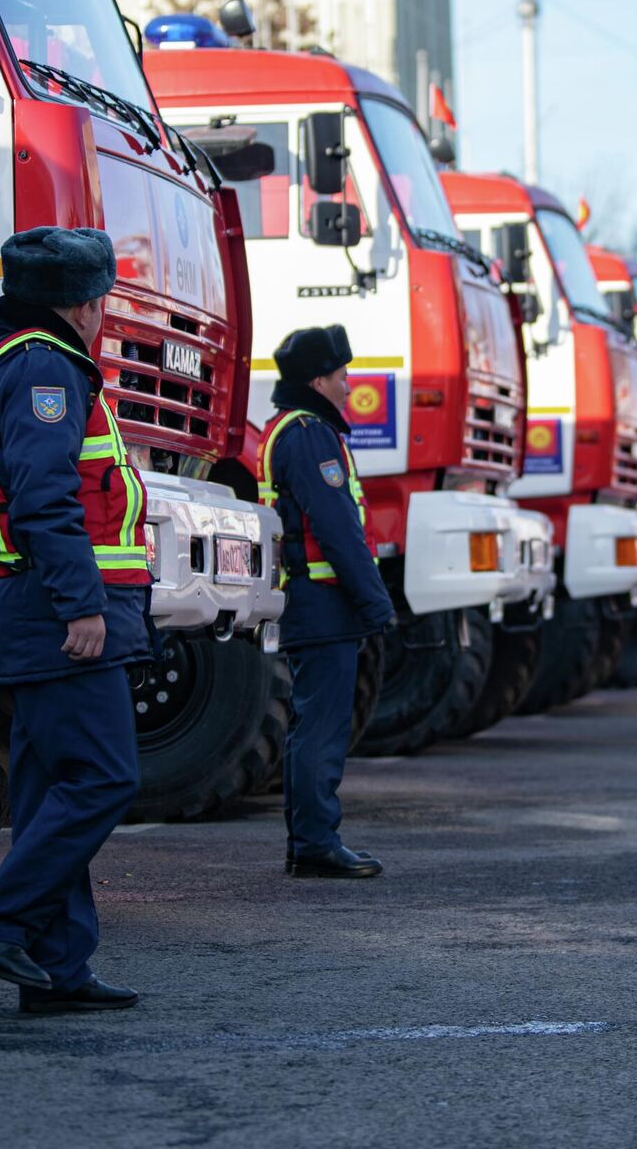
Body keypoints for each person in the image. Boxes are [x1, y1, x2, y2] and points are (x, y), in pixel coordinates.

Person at [0, 226, 151, 1015]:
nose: (104, 312)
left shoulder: (25, 361)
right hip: (57, 611)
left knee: (47, 791)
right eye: (102, 298)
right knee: (105, 777)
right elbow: (43, 495)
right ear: (80, 301)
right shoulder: (45, 367)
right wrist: (83, 605)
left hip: (34, 607)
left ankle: (56, 966)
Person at [261, 324, 397, 875]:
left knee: (311, 723)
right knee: (322, 726)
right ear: (318, 380)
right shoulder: (310, 434)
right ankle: (316, 843)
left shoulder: (295, 429)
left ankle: (310, 841)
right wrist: (376, 604)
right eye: (342, 376)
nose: (349, 386)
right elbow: (337, 527)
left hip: (312, 598)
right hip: (322, 600)